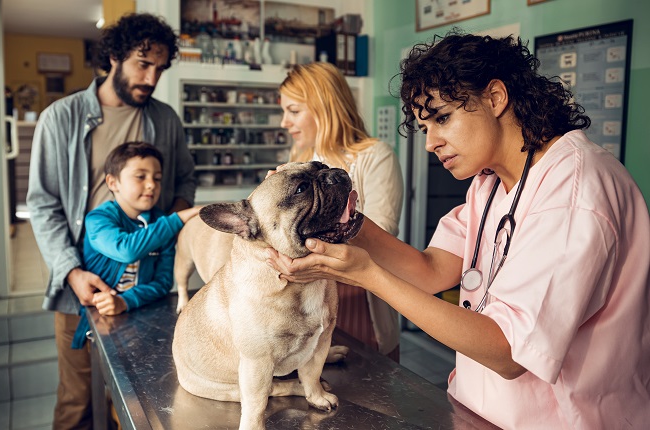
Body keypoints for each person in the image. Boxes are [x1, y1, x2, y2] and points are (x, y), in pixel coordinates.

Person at [266, 31, 650, 429]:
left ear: (496, 97)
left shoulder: (575, 189)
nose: (430, 143)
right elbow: (431, 270)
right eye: (424, 127)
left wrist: (367, 274)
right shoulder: (489, 183)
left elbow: (509, 351)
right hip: (478, 410)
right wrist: (343, 220)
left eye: (442, 118)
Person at [26, 13, 196, 430]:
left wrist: (170, 218)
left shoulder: (165, 119)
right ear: (115, 57)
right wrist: (71, 272)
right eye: (143, 64)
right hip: (81, 286)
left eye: (160, 67)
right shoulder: (60, 118)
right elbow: (43, 204)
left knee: (141, 399)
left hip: (147, 289)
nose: (152, 77)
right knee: (77, 402)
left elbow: (184, 180)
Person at [278, 62, 404, 360]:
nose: (284, 122)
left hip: (360, 306)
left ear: (325, 107)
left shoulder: (374, 156)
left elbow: (380, 239)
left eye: (294, 111)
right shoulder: (297, 162)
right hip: (306, 309)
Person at [71, 142, 200, 350]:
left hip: (145, 322)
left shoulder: (160, 224)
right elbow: (125, 249)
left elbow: (163, 282)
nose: (151, 185)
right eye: (141, 176)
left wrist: (125, 302)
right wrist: (177, 219)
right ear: (113, 182)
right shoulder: (98, 219)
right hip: (96, 324)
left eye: (157, 178)